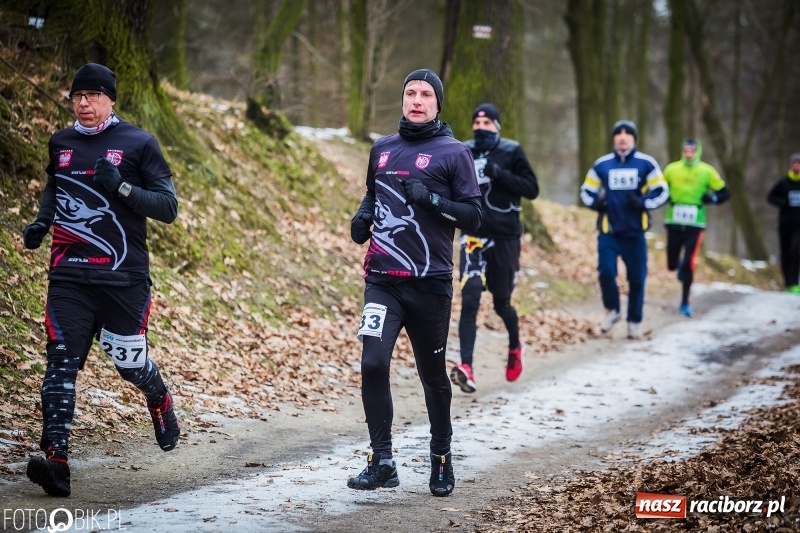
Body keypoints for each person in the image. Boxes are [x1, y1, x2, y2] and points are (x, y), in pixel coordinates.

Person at [22, 63, 181, 497]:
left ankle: (158, 396)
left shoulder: (139, 143)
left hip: (123, 279)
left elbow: (168, 207)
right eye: (77, 96)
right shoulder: (61, 143)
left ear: (111, 99)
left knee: (129, 364)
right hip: (69, 275)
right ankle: (57, 462)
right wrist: (42, 223)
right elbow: (55, 189)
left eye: (93, 95)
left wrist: (123, 188)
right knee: (60, 364)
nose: (84, 103)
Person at [347, 68, 481, 497]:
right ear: (403, 99)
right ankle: (382, 461)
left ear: (438, 103)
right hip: (382, 280)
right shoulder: (382, 148)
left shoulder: (454, 153)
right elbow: (373, 193)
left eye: (425, 94)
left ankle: (440, 457)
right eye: (410, 93)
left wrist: (434, 200)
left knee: (433, 377)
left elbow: (475, 216)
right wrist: (362, 217)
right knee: (372, 364)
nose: (417, 100)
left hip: (430, 284)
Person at [449, 103, 539, 394]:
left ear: (497, 126)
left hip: (505, 237)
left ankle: (515, 345)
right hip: (473, 236)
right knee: (470, 297)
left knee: (502, 303)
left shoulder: (511, 151)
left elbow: (532, 188)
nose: (480, 127)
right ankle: (466, 367)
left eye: (487, 123)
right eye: (476, 122)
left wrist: (498, 173)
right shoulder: (464, 151)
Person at [579, 119, 669, 340]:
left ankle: (634, 322)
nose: (622, 137)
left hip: (635, 232)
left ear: (633, 138)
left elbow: (662, 191)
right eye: (618, 133)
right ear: (613, 138)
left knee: (637, 278)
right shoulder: (602, 165)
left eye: (627, 133)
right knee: (606, 272)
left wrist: (643, 202)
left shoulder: (645, 164)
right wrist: (596, 203)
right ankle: (613, 310)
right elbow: (586, 191)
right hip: (609, 231)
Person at [663, 138, 730, 316]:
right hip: (674, 221)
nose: (689, 154)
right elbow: (659, 188)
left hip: (695, 223)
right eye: (686, 151)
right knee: (671, 263)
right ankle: (678, 268)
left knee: (689, 263)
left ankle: (685, 302)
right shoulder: (671, 169)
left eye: (692, 151)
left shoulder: (707, 171)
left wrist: (712, 198)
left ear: (698, 152)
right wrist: (664, 196)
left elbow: (725, 193)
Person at [766, 152, 800, 292]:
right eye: (794, 164)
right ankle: (788, 283)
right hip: (785, 224)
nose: (797, 167)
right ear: (790, 166)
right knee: (786, 252)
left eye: (799, 164)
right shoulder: (783, 183)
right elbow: (770, 197)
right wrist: (783, 202)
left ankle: (795, 282)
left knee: (795, 251)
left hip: (799, 226)